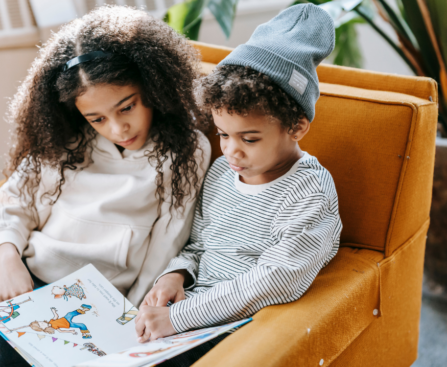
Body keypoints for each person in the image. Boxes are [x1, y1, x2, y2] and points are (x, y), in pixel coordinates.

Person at [0, 5, 210, 366]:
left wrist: (133, 317)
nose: (117, 129)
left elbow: (167, 241)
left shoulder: (186, 150)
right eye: (97, 118)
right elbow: (15, 202)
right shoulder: (66, 140)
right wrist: (6, 257)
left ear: (151, 86)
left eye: (126, 107)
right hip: (28, 282)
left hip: (100, 306)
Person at [135, 4, 342, 366]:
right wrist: (176, 274)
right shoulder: (220, 173)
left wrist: (178, 318)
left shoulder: (311, 192)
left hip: (232, 330)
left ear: (296, 127)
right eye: (223, 134)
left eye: (249, 139)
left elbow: (276, 280)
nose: (231, 151)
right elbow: (201, 244)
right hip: (189, 313)